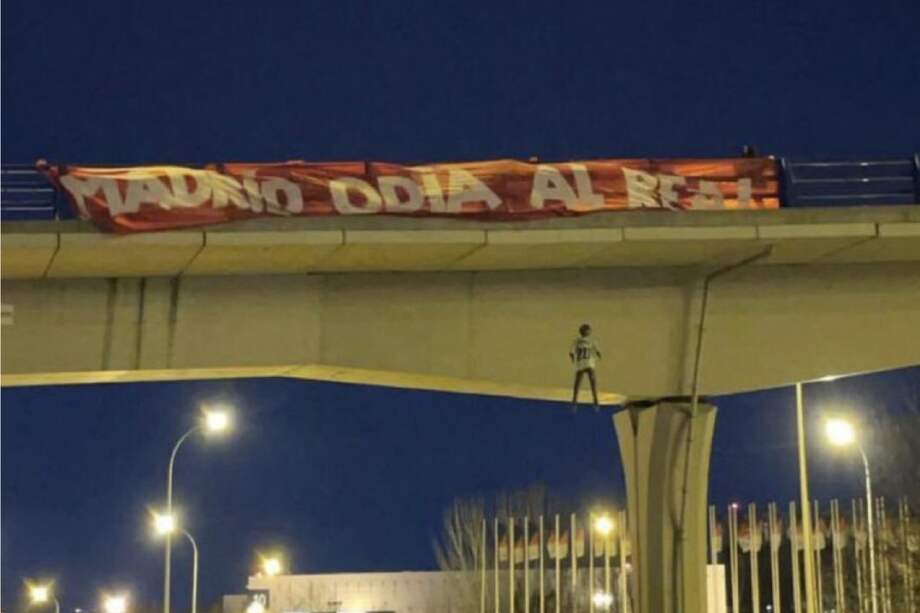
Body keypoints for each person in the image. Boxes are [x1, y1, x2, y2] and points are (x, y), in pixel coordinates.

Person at [569, 323, 601, 411]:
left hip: (581, 364)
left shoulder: (576, 341)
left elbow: (571, 352)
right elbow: (597, 350)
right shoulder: (591, 341)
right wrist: (598, 354)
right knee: (592, 383)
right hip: (588, 363)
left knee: (578, 384)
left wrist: (572, 357)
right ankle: (595, 403)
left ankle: (575, 403)